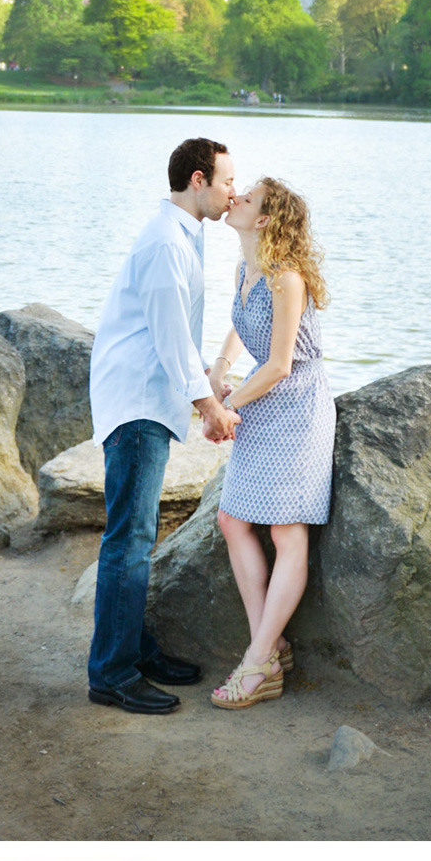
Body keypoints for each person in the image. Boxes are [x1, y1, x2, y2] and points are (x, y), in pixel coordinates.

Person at [86, 136, 241, 715]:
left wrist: (207, 379)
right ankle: (111, 673)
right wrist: (210, 408)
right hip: (136, 406)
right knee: (127, 541)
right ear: (198, 181)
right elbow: (171, 339)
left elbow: (171, 333)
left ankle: (136, 649)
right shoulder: (164, 244)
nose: (234, 191)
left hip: (148, 397)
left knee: (137, 537)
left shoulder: (181, 237)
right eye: (227, 181)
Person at [206, 176, 335, 709]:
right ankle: (270, 645)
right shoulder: (246, 267)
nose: (233, 197)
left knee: (286, 530)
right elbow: (244, 327)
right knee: (232, 520)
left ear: (264, 220)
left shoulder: (287, 278)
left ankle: (256, 664)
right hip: (263, 402)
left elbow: (281, 363)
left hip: (297, 404)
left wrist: (225, 407)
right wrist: (221, 366)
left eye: (248, 197)